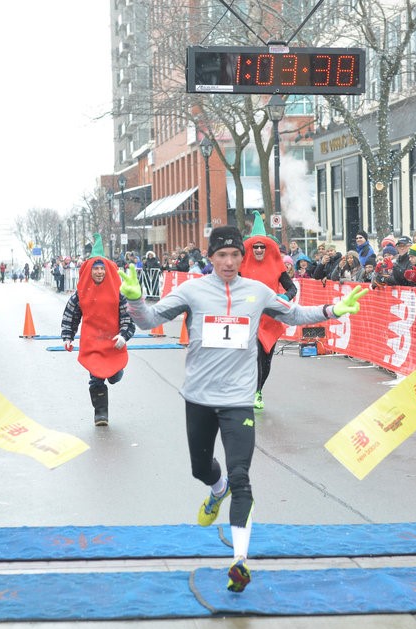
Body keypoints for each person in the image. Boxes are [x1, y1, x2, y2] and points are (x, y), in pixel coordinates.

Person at [118, 225, 365, 593]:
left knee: (242, 478)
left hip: (238, 400)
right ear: (211, 258)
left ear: (243, 257)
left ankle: (239, 561)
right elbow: (150, 321)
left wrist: (332, 309)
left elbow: (293, 314)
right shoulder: (192, 291)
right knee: (201, 468)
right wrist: (136, 300)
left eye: (235, 255)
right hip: (199, 397)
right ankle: (216, 490)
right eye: (222, 255)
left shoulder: (258, 291)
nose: (230, 262)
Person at [61, 236, 134, 426]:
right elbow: (71, 315)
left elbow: (128, 317)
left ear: (107, 270)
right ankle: (101, 414)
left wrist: (124, 335)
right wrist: (67, 337)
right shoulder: (81, 293)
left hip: (113, 342)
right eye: (96, 268)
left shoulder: (118, 292)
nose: (99, 272)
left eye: (102, 268)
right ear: (90, 271)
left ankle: (115, 372)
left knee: (114, 376)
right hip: (92, 342)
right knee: (96, 377)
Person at [239, 216, 297, 410]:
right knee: (255, 357)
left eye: (262, 247)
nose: (258, 250)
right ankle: (253, 392)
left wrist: (284, 298)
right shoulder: (241, 268)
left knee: (267, 360)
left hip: (271, 319)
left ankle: (259, 389)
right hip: (250, 320)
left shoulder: (277, 268)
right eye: (255, 247)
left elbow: (292, 288)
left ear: (267, 249)